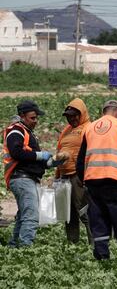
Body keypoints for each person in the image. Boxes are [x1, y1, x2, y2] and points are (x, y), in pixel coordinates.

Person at [76, 100, 117, 265]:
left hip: (92, 182)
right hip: (114, 181)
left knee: (99, 222)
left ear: (103, 111)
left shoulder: (90, 127)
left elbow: (80, 160)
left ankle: (102, 260)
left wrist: (84, 179)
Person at [3, 100, 60, 247]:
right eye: (32, 118)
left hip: (27, 178)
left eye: (36, 118)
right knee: (31, 216)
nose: (36, 121)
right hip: (22, 178)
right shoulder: (16, 130)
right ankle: (25, 249)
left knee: (23, 216)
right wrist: (39, 156)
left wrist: (50, 163)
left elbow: (29, 157)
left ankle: (14, 246)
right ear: (22, 116)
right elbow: (17, 152)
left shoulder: (27, 132)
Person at [55, 98, 92, 244]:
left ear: (82, 114)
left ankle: (94, 242)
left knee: (84, 211)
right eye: (69, 116)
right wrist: (57, 176)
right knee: (68, 213)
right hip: (65, 176)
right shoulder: (66, 130)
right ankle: (72, 243)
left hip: (79, 176)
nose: (71, 119)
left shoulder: (88, 128)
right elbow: (60, 149)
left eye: (74, 116)